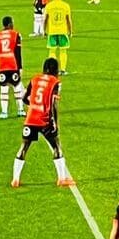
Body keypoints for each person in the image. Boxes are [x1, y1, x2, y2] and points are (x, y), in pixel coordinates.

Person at [11, 57, 74, 188]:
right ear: (55, 69)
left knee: (24, 147)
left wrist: (33, 105)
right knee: (56, 146)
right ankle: (61, 179)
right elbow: (53, 104)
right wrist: (55, 122)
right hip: (45, 119)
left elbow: (24, 98)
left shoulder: (34, 79)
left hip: (31, 118)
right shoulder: (55, 82)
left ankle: (15, 179)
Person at [0, 16, 26, 119]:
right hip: (12, 63)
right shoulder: (16, 34)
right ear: (9, 24)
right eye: (12, 23)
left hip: (2, 65)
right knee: (17, 87)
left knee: (4, 89)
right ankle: (20, 110)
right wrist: (20, 67)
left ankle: (4, 112)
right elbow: (18, 52)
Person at [43, 0, 72, 75]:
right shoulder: (66, 6)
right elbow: (68, 20)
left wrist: (44, 30)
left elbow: (45, 19)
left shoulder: (49, 6)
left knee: (52, 51)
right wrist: (70, 31)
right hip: (63, 31)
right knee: (63, 51)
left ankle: (51, 70)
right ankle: (63, 70)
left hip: (52, 31)